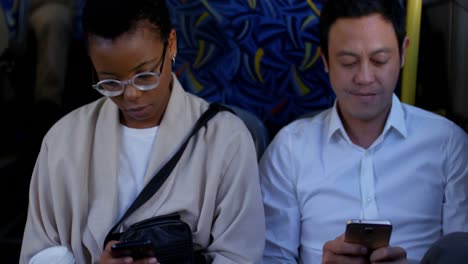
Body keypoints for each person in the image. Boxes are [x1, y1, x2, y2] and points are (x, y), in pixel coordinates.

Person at [19, 0, 265, 263]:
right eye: (110, 82)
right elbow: (41, 252)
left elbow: (240, 255)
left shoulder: (225, 139)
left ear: (171, 44)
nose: (131, 95)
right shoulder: (63, 141)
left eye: (145, 76)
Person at [259, 0, 468, 263]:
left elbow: (462, 250)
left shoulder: (448, 144)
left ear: (404, 53)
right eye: (348, 62)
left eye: (380, 60)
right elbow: (269, 257)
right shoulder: (289, 149)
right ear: (325, 60)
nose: (365, 77)